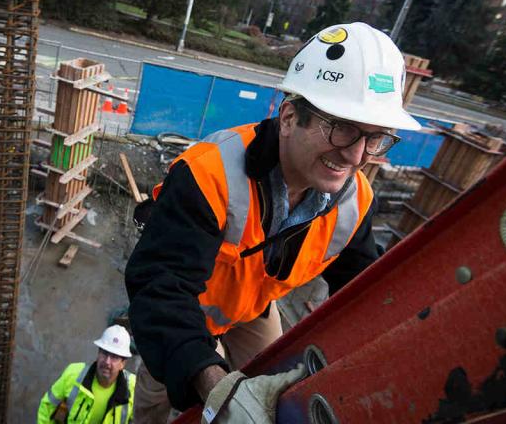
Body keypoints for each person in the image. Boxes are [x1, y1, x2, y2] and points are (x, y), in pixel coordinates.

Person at [124, 22, 421, 423]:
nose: (356, 156)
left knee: (279, 387)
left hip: (252, 310)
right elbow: (160, 288)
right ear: (287, 117)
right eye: (342, 128)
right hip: (185, 313)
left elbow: (367, 288)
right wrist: (215, 384)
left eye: (375, 138)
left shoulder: (355, 202)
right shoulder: (209, 175)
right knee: (159, 399)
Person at [38, 325, 137, 424]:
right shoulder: (74, 374)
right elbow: (47, 406)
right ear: (98, 354)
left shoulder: (134, 387)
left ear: (122, 364)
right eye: (104, 353)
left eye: (114, 357)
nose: (107, 362)